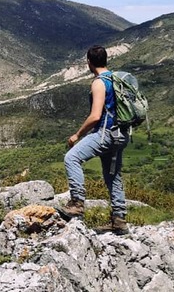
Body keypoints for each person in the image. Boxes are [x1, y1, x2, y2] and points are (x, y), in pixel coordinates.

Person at [60, 45, 130, 234]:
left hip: (105, 133)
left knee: (72, 158)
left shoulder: (99, 83)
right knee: (112, 175)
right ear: (106, 59)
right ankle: (119, 220)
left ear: (89, 62)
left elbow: (95, 116)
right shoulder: (116, 79)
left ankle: (77, 204)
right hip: (121, 135)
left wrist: (77, 135)